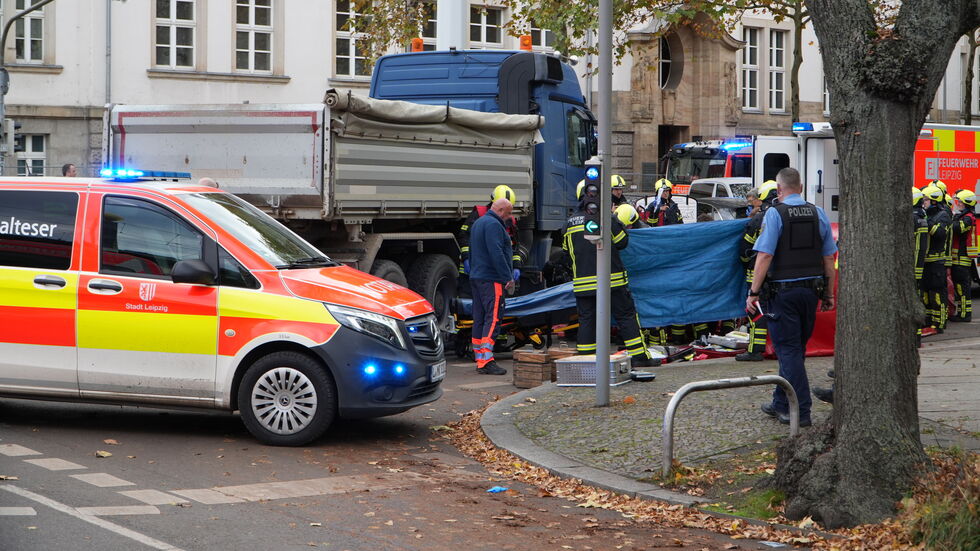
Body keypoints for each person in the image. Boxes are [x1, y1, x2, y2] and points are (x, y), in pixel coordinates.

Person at [747, 168, 837, 427]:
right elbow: (828, 258)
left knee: (788, 351)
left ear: (779, 189)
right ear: (801, 187)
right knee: (794, 350)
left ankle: (801, 411)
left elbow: (765, 255)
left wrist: (753, 292)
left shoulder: (775, 213)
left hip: (782, 294)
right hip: (810, 293)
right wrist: (828, 294)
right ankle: (780, 403)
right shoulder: (818, 213)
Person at [564, 185, 657, 368]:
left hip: (583, 284)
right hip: (611, 281)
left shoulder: (569, 222)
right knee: (626, 316)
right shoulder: (605, 217)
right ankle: (639, 356)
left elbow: (567, 251)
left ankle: (587, 361)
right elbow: (622, 242)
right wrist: (616, 220)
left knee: (587, 320)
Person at [468, 198, 517, 375]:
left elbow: (471, 251)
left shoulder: (479, 223)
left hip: (477, 277)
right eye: (509, 213)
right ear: (501, 210)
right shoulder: (494, 225)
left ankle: (480, 359)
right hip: (492, 279)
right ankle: (487, 360)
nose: (509, 217)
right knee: (493, 318)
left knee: (480, 318)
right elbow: (496, 252)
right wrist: (507, 277)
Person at [736, 181, 777, 361]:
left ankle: (755, 351)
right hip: (780, 273)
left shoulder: (759, 219)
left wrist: (746, 263)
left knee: (756, 309)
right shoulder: (783, 215)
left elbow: (745, 249)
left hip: (758, 272)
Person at [458, 185, 523, 297]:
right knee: (470, 299)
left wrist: (516, 266)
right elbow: (464, 236)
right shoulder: (479, 215)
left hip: (495, 276)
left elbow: (514, 246)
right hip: (475, 272)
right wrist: (467, 258)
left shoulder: (510, 221)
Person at [921, 184, 951, 331]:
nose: (923, 203)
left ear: (934, 201)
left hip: (936, 263)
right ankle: (928, 321)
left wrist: (926, 221)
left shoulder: (943, 215)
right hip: (925, 262)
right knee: (926, 295)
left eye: (926, 200)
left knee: (937, 294)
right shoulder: (927, 215)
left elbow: (939, 234)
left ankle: (939, 323)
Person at [950, 189, 977, 322]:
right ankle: (962, 313)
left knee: (962, 288)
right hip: (959, 258)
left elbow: (958, 228)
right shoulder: (963, 216)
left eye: (960, 202)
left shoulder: (968, 218)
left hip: (962, 259)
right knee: (960, 288)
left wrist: (948, 220)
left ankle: (965, 315)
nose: (958, 204)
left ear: (967, 203)